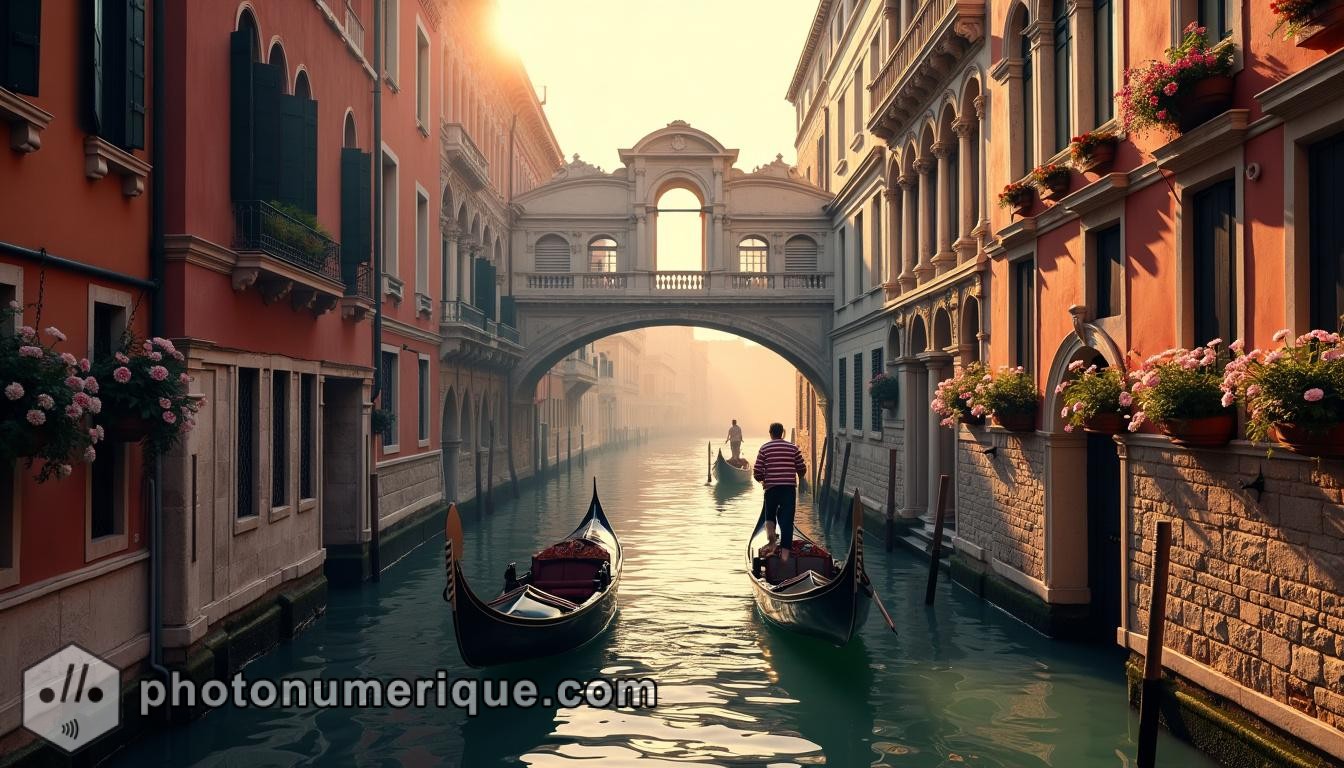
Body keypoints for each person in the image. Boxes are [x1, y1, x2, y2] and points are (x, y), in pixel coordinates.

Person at [753, 422, 806, 561]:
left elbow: (757, 471)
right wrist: (799, 476)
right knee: (787, 522)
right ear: (782, 433)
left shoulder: (764, 448)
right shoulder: (793, 448)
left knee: (770, 517)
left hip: (772, 489)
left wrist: (763, 480)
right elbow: (802, 468)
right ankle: (784, 556)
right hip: (788, 489)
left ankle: (771, 543)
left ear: (770, 433)